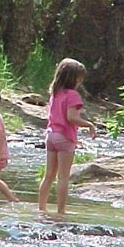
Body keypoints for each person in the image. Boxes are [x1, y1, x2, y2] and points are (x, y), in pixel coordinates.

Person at [38, 58, 96, 214]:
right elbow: (71, 118)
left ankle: (41, 208)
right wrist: (89, 124)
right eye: (79, 79)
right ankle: (61, 211)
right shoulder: (72, 95)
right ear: (73, 78)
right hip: (65, 137)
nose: (80, 82)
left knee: (49, 175)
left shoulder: (55, 93)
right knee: (63, 177)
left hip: (50, 136)